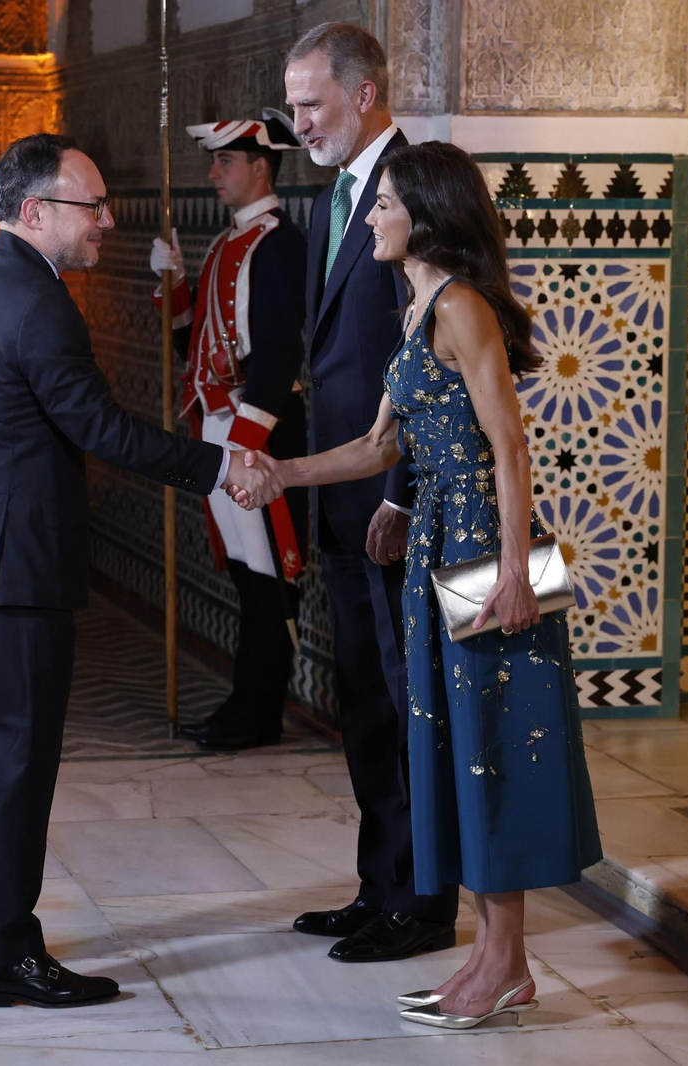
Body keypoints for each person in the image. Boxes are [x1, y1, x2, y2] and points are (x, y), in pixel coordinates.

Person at [238, 140, 602, 1028]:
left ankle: (505, 963)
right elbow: (378, 446)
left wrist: (515, 569)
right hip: (437, 538)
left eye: (386, 203)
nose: (371, 215)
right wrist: (284, 474)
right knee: (446, 747)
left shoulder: (464, 307)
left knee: (488, 750)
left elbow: (508, 446)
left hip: (484, 550)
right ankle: (489, 957)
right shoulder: (417, 308)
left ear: (427, 214)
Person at [0, 133, 274, 1010]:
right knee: (17, 766)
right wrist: (218, 465)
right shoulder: (36, 304)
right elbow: (100, 429)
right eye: (91, 205)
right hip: (11, 570)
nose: (108, 219)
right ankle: (4, 958)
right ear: (36, 212)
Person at [282, 22, 459, 964]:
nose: (299, 121)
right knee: (363, 698)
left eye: (311, 103)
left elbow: (434, 355)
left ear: (364, 93)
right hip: (343, 503)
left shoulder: (420, 186)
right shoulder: (331, 201)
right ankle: (379, 883)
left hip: (397, 506)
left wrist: (396, 489)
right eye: (294, 103)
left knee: (408, 700)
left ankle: (427, 903)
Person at [147, 111, 310, 751]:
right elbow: (196, 346)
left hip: (257, 436)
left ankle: (257, 713)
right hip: (224, 432)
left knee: (268, 579)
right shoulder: (227, 243)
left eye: (225, 162)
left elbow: (274, 358)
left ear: (260, 167)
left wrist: (245, 445)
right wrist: (175, 283)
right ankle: (248, 707)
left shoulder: (278, 244)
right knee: (246, 574)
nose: (213, 173)